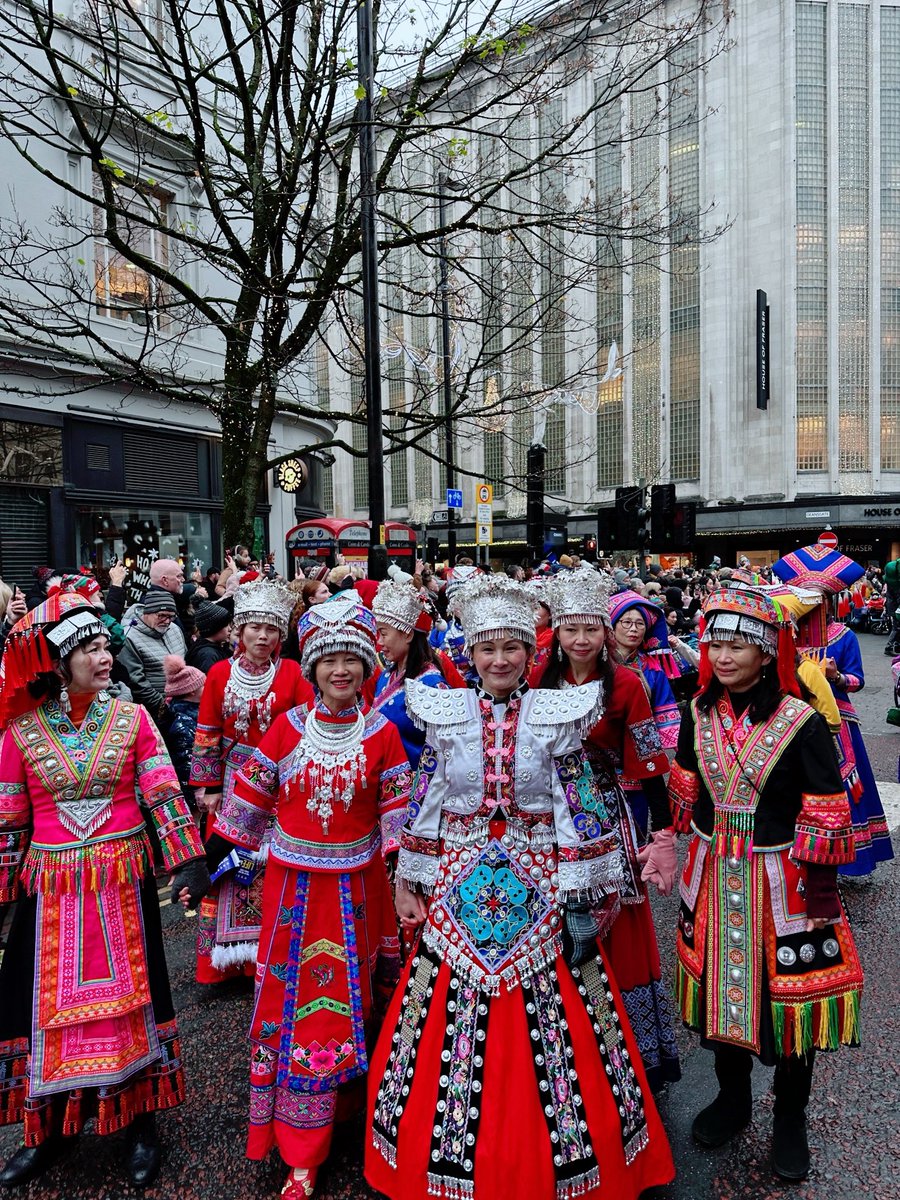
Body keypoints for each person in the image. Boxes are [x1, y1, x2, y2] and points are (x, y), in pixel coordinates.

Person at [366, 575, 674, 1200]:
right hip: (457, 882)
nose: (500, 660)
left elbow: (578, 804)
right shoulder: (445, 713)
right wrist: (410, 880)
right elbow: (427, 802)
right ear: (470, 655)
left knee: (557, 1004)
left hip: (539, 884)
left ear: (531, 655)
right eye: (487, 650)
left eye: (511, 648)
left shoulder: (557, 713)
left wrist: (582, 894)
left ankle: (567, 1163)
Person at [198, 595, 413, 1198]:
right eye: (328, 661)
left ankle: (351, 1115)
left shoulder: (384, 734)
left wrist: (406, 878)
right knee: (292, 1007)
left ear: (368, 666)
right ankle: (299, 1145)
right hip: (292, 891)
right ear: (312, 669)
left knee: (357, 997)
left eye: (351, 659)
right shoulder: (288, 727)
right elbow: (248, 799)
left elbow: (398, 816)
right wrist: (214, 855)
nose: (340, 670)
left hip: (360, 892)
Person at [0, 592, 208, 1189]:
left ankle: (140, 1123)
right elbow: (9, 815)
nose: (105, 658)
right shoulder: (21, 731)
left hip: (122, 888)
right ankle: (50, 1132)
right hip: (51, 898)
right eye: (90, 650)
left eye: (105, 647)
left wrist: (188, 861)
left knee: (133, 1006)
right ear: (59, 663)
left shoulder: (135, 720)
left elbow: (163, 791)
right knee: (46, 1011)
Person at [671, 586, 863, 1181]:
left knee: (788, 1003)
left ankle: (789, 1116)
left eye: (737, 645)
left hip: (784, 882)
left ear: (763, 651)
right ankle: (733, 1099)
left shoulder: (801, 720)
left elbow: (827, 803)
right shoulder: (697, 713)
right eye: (716, 644)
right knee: (720, 996)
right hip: (710, 878)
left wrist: (821, 884)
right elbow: (687, 789)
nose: (724, 656)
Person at [537, 566, 681, 1091]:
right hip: (544, 818)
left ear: (605, 631)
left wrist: (662, 836)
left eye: (591, 629)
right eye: (570, 629)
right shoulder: (538, 678)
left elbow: (649, 759)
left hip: (605, 814)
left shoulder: (626, 685)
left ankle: (626, 1051)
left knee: (613, 923)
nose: (581, 639)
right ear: (557, 632)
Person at [188, 580, 312, 983]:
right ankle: (227, 963)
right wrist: (208, 787)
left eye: (271, 629)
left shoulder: (292, 672)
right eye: (255, 628)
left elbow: (307, 727)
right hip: (231, 781)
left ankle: (272, 952)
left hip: (281, 782)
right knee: (228, 863)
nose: (263, 636)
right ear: (239, 631)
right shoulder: (220, 673)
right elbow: (206, 730)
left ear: (281, 635)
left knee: (274, 864)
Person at [772, 543, 894, 876]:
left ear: (828, 601)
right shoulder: (784, 634)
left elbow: (858, 681)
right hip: (789, 718)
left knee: (840, 783)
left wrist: (836, 675)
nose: (812, 603)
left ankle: (847, 860)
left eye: (818, 597)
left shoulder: (843, 636)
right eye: (804, 595)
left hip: (838, 723)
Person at [369, 578, 450, 769]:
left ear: (407, 634)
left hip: (417, 789)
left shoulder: (432, 685)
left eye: (384, 633)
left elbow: (445, 750)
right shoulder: (386, 675)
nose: (379, 641)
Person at [608, 590, 682, 748]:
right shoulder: (597, 662)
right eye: (626, 622)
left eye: (640, 623)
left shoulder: (652, 668)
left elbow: (665, 711)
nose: (633, 629)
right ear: (613, 626)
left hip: (642, 745)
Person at [116, 591, 188, 728]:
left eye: (171, 617)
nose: (167, 621)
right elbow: (136, 682)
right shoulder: (130, 636)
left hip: (181, 705)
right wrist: (163, 708)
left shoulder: (174, 629)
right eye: (162, 616)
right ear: (147, 612)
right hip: (155, 714)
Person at [161, 654, 207, 811]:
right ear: (192, 691)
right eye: (203, 685)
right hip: (189, 791)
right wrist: (198, 789)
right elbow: (186, 761)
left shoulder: (192, 714)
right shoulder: (182, 724)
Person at [186, 600, 233, 673]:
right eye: (226, 625)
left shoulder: (214, 648)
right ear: (215, 628)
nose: (230, 629)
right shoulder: (208, 655)